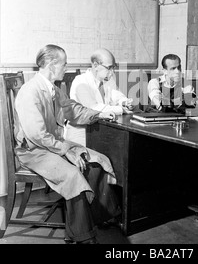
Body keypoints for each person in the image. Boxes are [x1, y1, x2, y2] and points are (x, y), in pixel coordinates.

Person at [14, 44, 121, 244]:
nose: (66, 68)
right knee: (73, 174)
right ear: (52, 64)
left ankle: (102, 216)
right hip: (34, 151)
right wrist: (66, 151)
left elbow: (73, 110)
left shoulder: (53, 89)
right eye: (64, 64)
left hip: (51, 145)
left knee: (98, 160)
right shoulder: (30, 91)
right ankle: (81, 236)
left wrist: (98, 114)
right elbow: (37, 135)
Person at [65, 48, 134, 146]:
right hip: (81, 133)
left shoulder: (107, 79)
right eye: (109, 67)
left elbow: (116, 94)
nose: (112, 71)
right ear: (95, 65)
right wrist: (121, 109)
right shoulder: (81, 81)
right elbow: (94, 108)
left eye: (113, 67)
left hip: (101, 129)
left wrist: (124, 102)